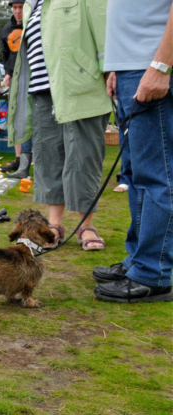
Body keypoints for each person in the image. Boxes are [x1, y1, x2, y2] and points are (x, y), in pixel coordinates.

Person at [7, 0, 111, 252]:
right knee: (49, 157)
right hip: (42, 91)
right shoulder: (31, 3)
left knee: (83, 156)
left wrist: (110, 69)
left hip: (79, 86)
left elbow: (103, 27)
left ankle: (86, 226)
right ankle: (54, 224)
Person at [93, 0, 173, 303]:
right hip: (132, 68)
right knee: (136, 174)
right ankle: (139, 261)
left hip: (150, 65)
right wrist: (116, 67)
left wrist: (161, 65)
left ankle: (153, 273)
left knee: (156, 174)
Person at [0, 0, 33, 178]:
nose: (18, 11)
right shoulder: (6, 30)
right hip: (15, 78)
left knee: (32, 116)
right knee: (16, 116)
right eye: (15, 8)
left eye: (21, 7)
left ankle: (35, 160)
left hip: (33, 76)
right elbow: (5, 53)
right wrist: (7, 73)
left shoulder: (33, 25)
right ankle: (20, 160)